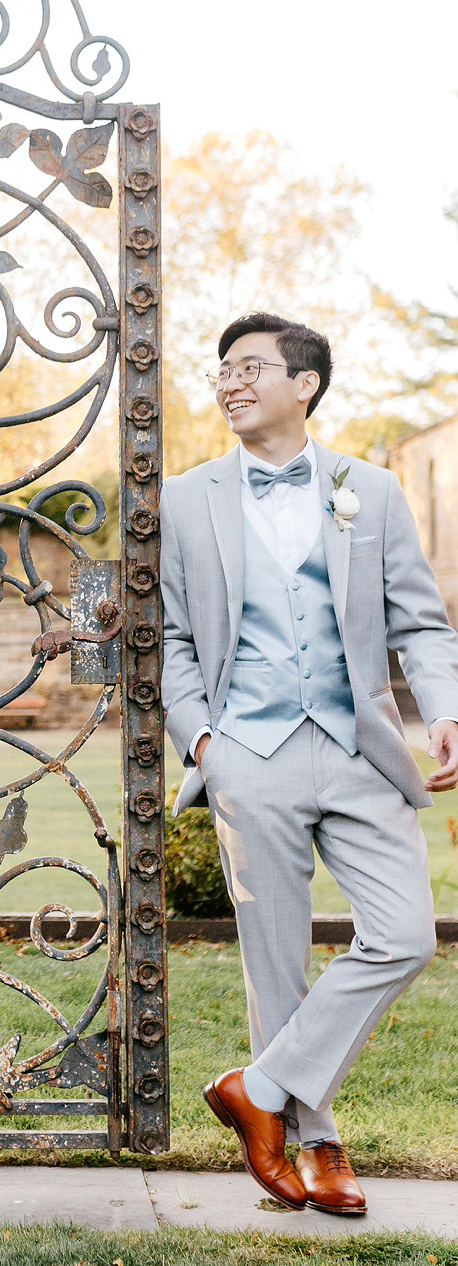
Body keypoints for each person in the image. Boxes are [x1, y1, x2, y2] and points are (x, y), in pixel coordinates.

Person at [161, 311, 458, 1214]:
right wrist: (203, 740)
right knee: (274, 962)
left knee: (405, 932)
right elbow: (170, 634)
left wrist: (445, 710)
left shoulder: (367, 486)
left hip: (362, 749)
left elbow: (417, 618)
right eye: (222, 370)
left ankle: (259, 1089)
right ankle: (317, 1141)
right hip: (247, 753)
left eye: (250, 367)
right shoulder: (185, 496)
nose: (230, 382)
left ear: (306, 383)